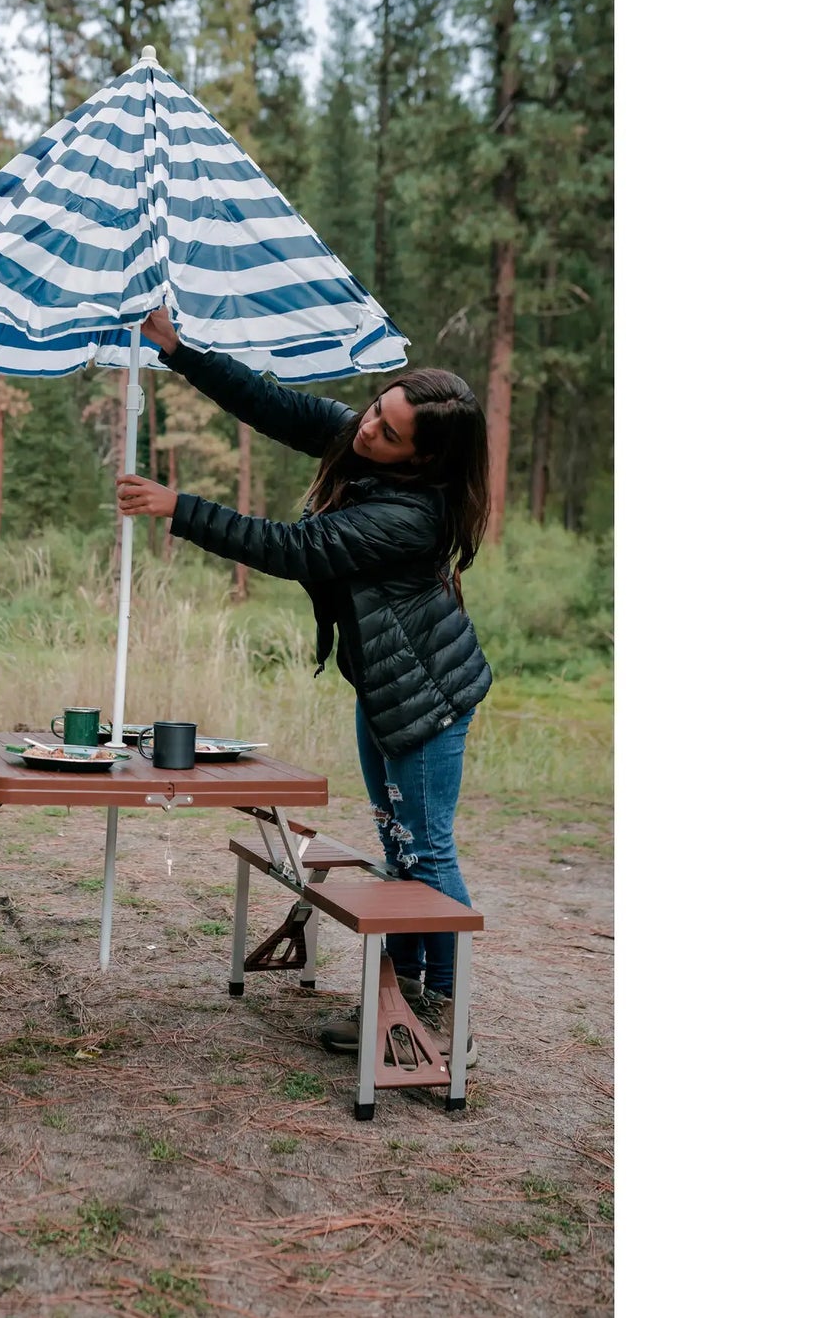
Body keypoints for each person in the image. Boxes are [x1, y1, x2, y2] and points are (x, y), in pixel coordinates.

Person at [116, 308, 492, 1066]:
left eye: (388, 432)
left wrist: (178, 508)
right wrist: (179, 351)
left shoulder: (408, 515)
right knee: (397, 843)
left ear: (419, 460)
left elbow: (294, 548)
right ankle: (398, 998)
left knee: (425, 849)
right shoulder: (369, 448)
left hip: (424, 696)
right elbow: (273, 404)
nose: (367, 431)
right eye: (376, 410)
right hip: (384, 684)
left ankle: (443, 1019)